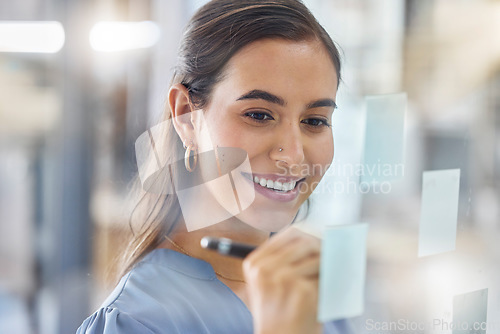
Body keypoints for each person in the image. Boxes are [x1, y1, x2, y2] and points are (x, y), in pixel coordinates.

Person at [78, 0, 355, 333]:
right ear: (187, 118)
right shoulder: (138, 321)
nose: (293, 156)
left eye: (314, 120)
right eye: (258, 115)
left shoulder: (310, 291)